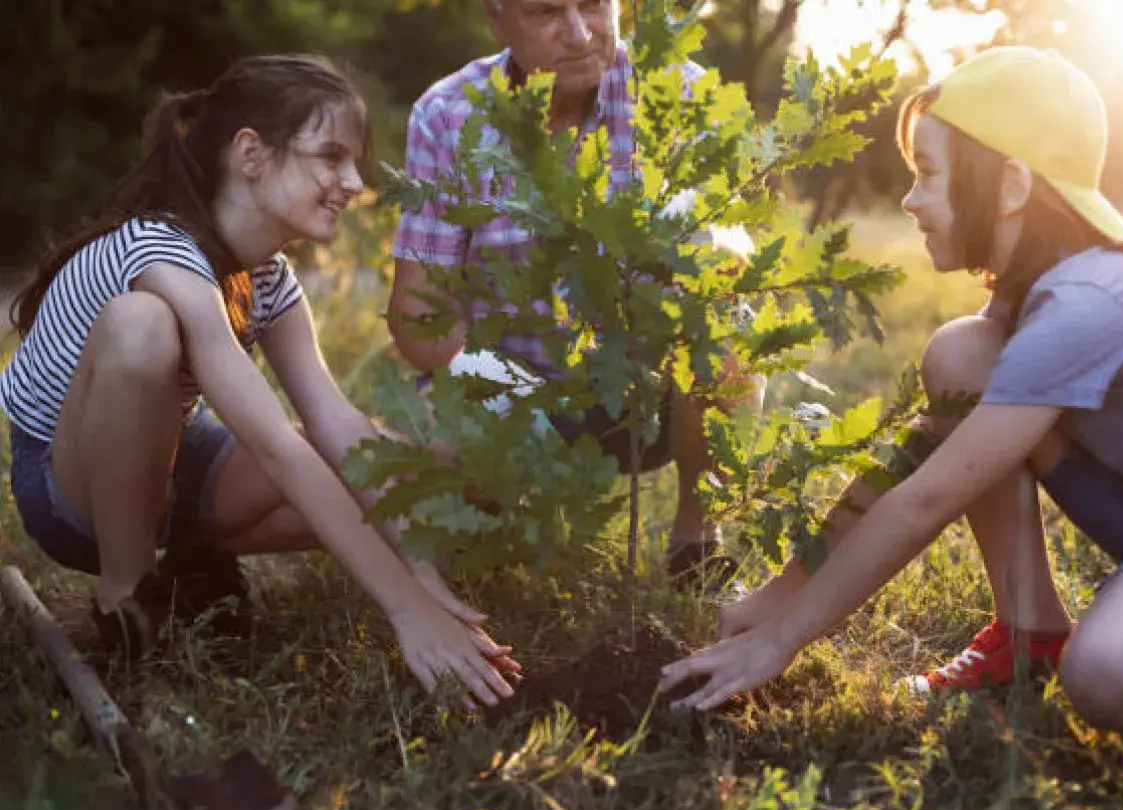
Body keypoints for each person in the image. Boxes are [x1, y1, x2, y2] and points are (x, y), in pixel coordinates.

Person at [660, 45, 1123, 734]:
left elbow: (928, 500)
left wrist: (780, 640)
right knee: (962, 357)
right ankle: (1027, 634)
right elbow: (916, 465)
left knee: (1111, 675)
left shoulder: (1090, 302)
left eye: (928, 175)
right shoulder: (1035, 297)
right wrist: (779, 593)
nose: (911, 200)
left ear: (1010, 187)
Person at [1, 53, 518, 709]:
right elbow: (277, 445)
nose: (354, 181)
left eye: (354, 161)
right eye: (330, 157)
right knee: (142, 327)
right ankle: (129, 604)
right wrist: (404, 611)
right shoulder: (161, 253)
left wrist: (418, 570)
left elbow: (336, 428)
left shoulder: (271, 278)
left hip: (172, 460)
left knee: (417, 472)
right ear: (251, 153)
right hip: (66, 488)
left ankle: (192, 566)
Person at [387, 0, 762, 590]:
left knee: (729, 322)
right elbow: (418, 310)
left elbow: (736, 247)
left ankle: (698, 540)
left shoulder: (679, 94)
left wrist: (707, 252)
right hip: (509, 383)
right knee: (437, 452)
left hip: (649, 391)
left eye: (592, 4)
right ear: (498, 18)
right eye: (546, 13)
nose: (580, 33)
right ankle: (503, 518)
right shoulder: (448, 114)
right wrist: (510, 400)